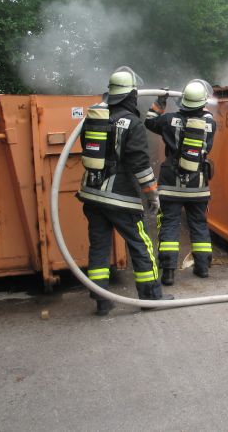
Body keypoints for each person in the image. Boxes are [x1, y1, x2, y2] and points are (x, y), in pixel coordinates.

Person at [77, 66, 172, 315]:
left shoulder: (95, 117)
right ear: (130, 95)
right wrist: (152, 194)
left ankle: (101, 300)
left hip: (91, 194)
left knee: (99, 247)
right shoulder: (132, 123)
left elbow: (87, 148)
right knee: (141, 244)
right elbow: (140, 163)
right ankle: (151, 297)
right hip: (120, 198)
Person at [144, 79, 217, 285]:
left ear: (183, 101)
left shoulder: (168, 120)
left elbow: (149, 121)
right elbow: (205, 115)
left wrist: (161, 101)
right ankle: (202, 268)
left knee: (169, 224)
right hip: (197, 184)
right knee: (199, 224)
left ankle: (168, 272)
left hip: (171, 183)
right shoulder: (210, 123)